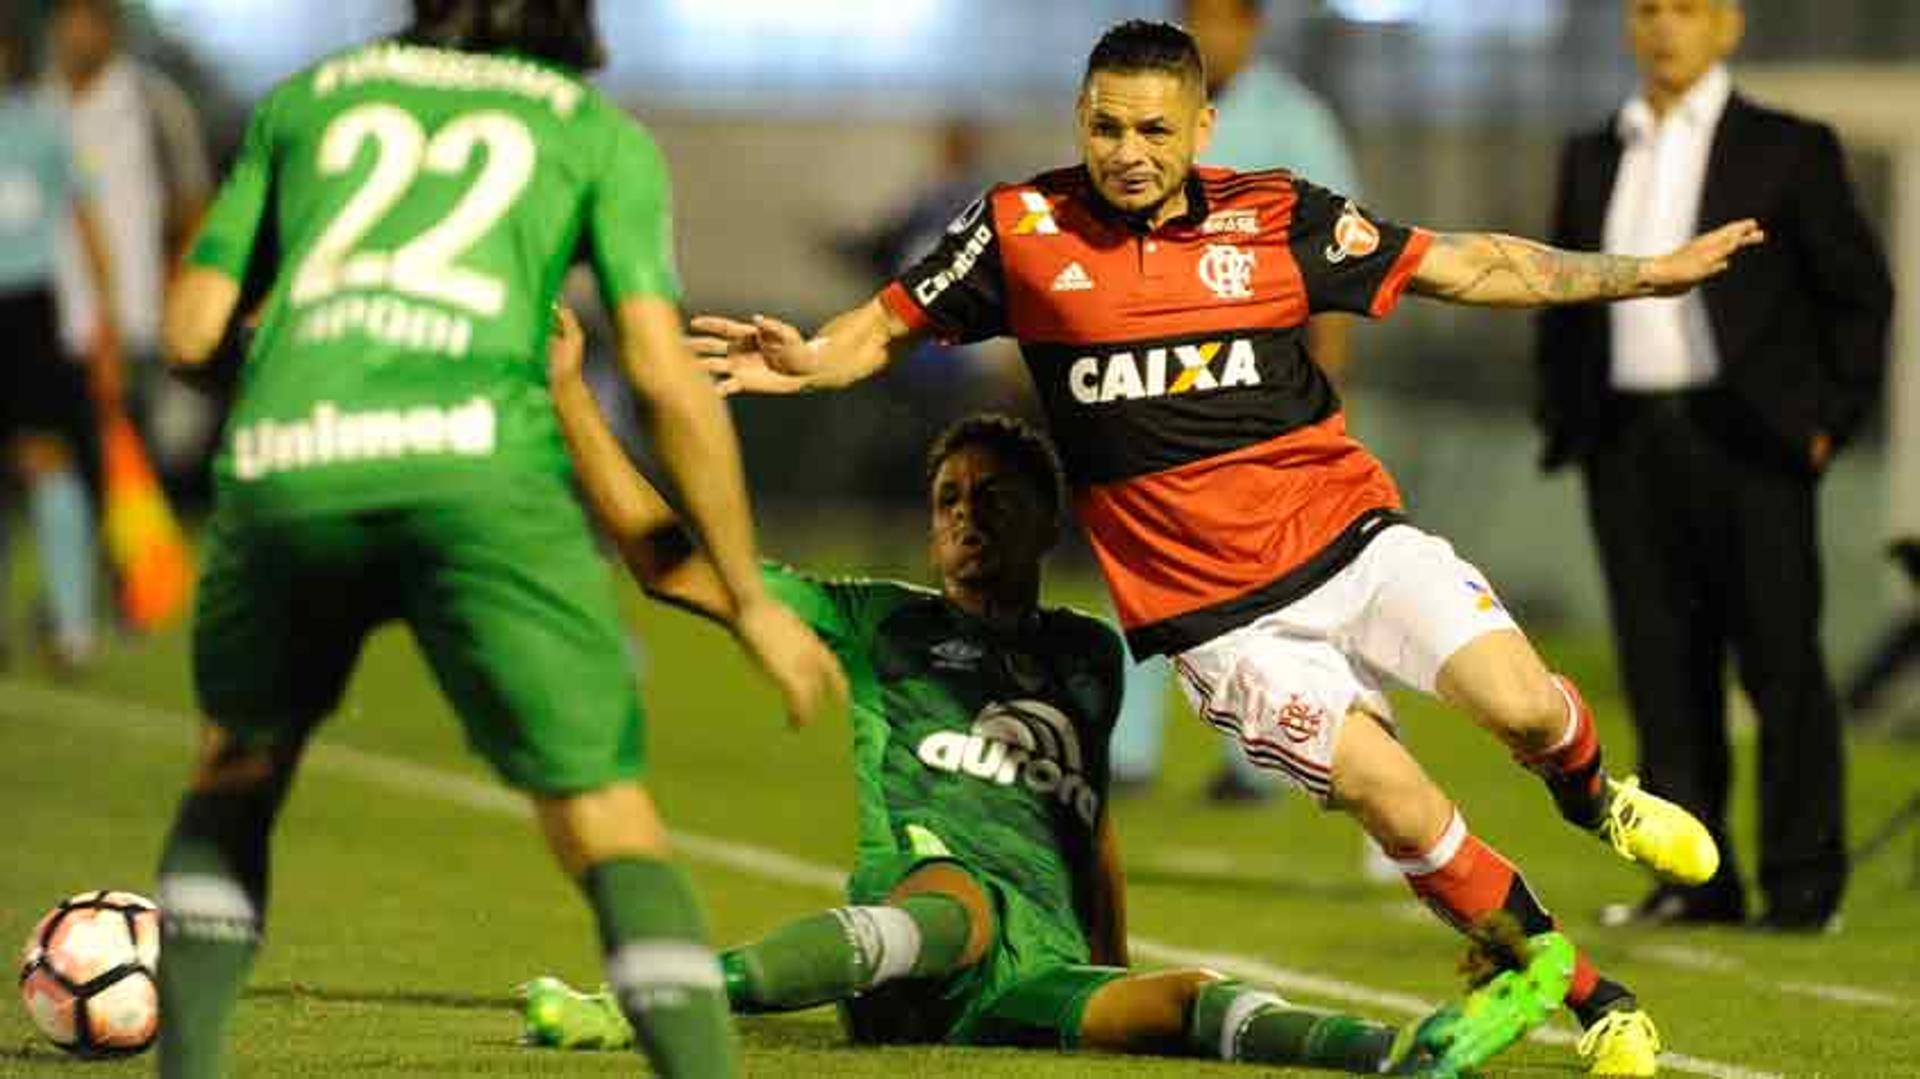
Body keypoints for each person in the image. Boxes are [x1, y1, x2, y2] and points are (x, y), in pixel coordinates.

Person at [691, 19, 1765, 1077]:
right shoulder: (1021, 228)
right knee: (1397, 800)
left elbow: (1465, 266)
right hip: (1222, 622)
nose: (1129, 152)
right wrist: (811, 358)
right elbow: (886, 322)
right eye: (1108, 126)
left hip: (1350, 538)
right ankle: (1588, 993)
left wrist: (1642, 274)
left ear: (1201, 124)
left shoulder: (1276, 216)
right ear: (1083, 117)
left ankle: (1592, 794)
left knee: (1525, 705)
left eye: (1156, 129)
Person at [523, 315, 1576, 1077]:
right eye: (948, 500)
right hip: (924, 929)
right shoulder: (875, 619)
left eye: (996, 499)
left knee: (1185, 998)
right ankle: (644, 1004)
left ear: (1045, 525)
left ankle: (1397, 1053)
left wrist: (1107, 969)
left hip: (1038, 958)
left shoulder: (1086, 651)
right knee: (958, 901)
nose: (967, 518)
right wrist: (573, 394)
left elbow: (1087, 826)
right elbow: (672, 567)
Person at [151, 3, 847, 1077]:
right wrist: (750, 597)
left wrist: (307, 364)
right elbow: (664, 376)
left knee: (234, 768)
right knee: (604, 815)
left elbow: (191, 331)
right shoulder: (594, 133)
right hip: (483, 474)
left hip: (295, 456)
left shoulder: (308, 100)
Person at [1534, 0, 1893, 933]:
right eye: (1648, 9)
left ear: (1728, 27)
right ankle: (1692, 880)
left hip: (1752, 439)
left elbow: (1859, 293)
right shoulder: (1593, 150)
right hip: (1627, 441)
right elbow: (1557, 293)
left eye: (1686, 9)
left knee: (1780, 663)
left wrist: (1824, 423)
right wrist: (1566, 415)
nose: (1664, 28)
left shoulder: (1788, 147)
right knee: (1661, 667)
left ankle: (1802, 885)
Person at [1111, 0, 1371, 804]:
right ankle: (1127, 751)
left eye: (1226, 22)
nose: (1211, 38)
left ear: (1252, 30)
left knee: (1265, 576)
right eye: (1198, 21)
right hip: (1153, 373)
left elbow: (1339, 253)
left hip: (1263, 385)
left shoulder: (1297, 122)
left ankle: (1259, 763)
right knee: (1145, 562)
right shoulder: (1139, 116)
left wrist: (1331, 381)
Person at [45, 0, 216, 500]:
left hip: (140, 323)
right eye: (70, 17)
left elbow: (193, 209)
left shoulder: (154, 103)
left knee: (142, 467)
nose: (80, 31)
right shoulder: (34, 106)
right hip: (49, 323)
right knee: (60, 470)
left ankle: (139, 576)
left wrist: (183, 306)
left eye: (93, 17)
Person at [0, 16, 118, 672]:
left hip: (27, 310)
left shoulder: (42, 124)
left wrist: (105, 314)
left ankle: (73, 623)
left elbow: (87, 215)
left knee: (47, 459)